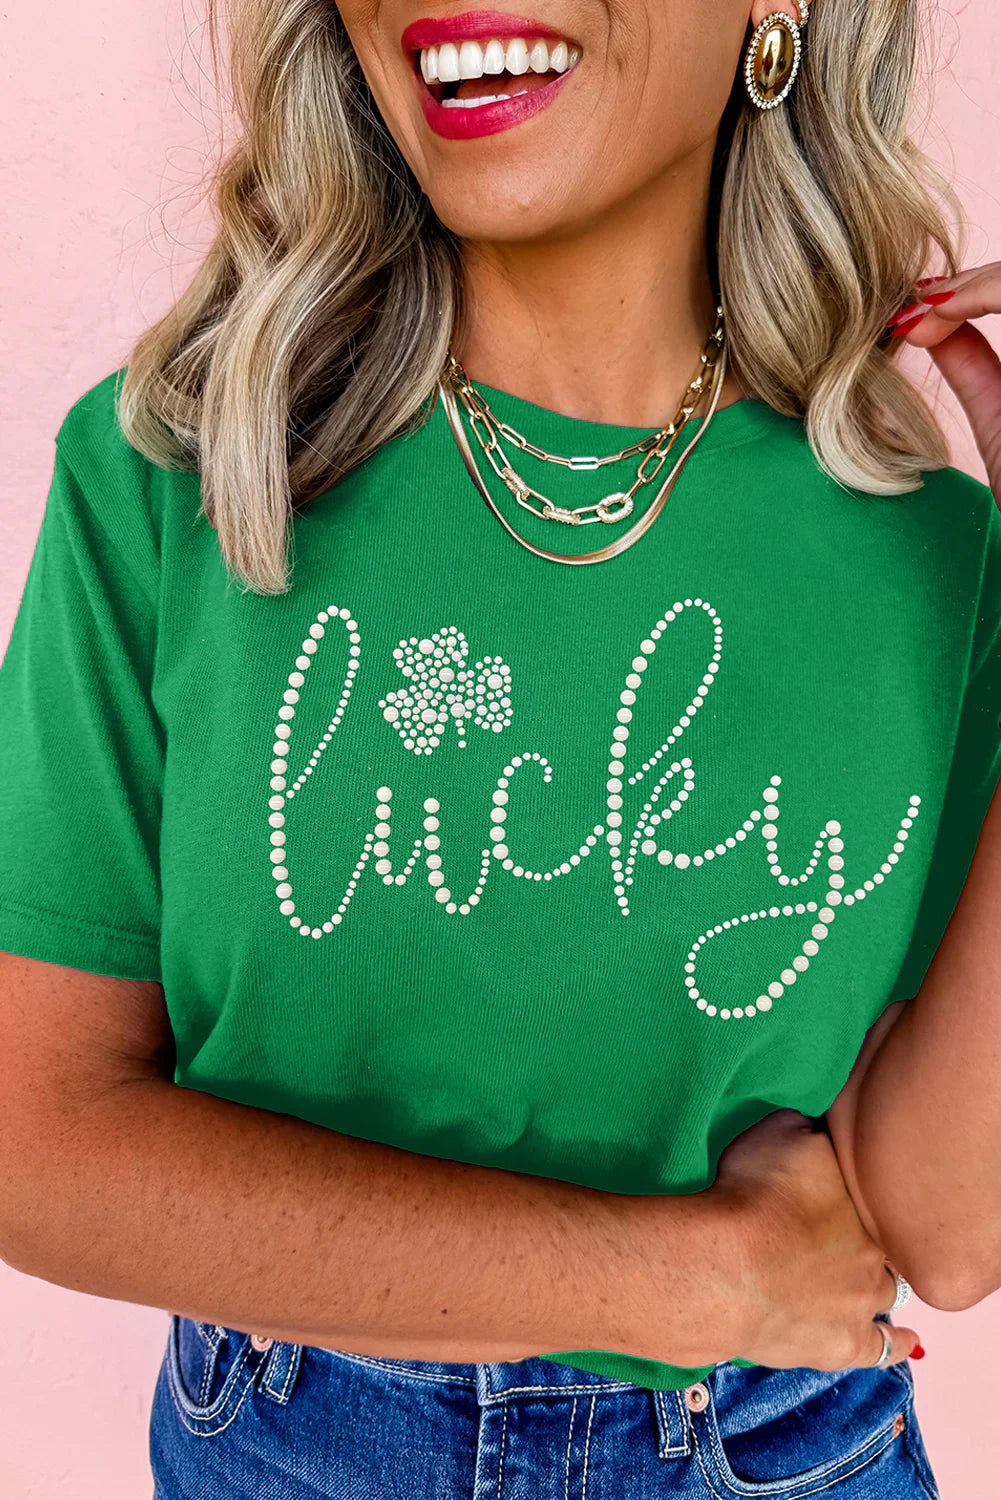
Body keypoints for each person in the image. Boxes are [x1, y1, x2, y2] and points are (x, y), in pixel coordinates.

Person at [1, 0, 999, 1494]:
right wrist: (677, 1282)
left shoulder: (939, 564)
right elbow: (33, 1144)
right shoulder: (181, 480)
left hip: (782, 1455)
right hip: (288, 1448)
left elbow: (947, 1227)